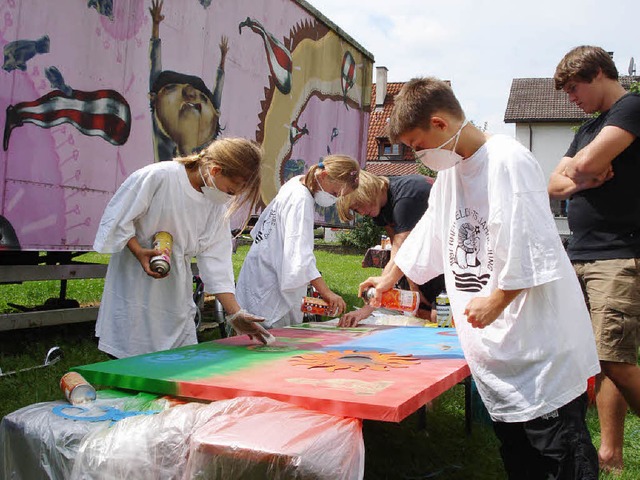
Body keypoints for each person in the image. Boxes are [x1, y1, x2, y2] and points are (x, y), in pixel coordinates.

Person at [360, 77, 601, 479]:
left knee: (559, 457)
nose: (419, 157)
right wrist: (388, 279)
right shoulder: (451, 176)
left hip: (538, 348)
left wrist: (498, 299)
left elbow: (527, 239)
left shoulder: (509, 159)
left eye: (418, 145)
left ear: (439, 124)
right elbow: (427, 236)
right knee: (519, 457)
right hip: (496, 351)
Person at [548, 45, 640, 473]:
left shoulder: (632, 107)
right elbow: (554, 181)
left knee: (612, 357)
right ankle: (611, 451)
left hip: (618, 253)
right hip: (581, 253)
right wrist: (583, 180)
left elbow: (586, 162)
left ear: (599, 72)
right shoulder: (588, 127)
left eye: (573, 88)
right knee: (595, 356)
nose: (571, 98)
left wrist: (580, 171)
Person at [93, 137, 271, 359]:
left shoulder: (214, 203)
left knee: (175, 363)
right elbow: (119, 218)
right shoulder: (160, 177)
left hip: (175, 295)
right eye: (231, 190)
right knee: (131, 359)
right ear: (215, 170)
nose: (229, 197)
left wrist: (236, 314)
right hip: (134, 288)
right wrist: (139, 251)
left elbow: (217, 263)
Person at [236, 155, 360, 328]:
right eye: (334, 193)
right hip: (271, 287)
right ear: (323, 176)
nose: (334, 199)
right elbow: (300, 255)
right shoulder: (301, 200)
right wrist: (327, 293)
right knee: (273, 345)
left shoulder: (295, 183)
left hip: (261, 271)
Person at [335, 170, 445, 326]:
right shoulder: (380, 207)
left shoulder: (407, 197)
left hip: (449, 259)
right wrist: (413, 289)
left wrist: (367, 308)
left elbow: (404, 250)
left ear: (367, 190)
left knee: (440, 316)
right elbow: (397, 252)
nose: (362, 212)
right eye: (356, 210)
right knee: (419, 310)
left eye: (359, 205)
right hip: (432, 258)